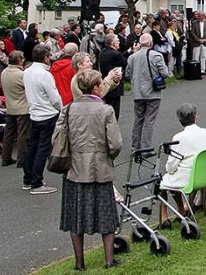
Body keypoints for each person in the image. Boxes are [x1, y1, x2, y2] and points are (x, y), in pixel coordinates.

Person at [57, 68, 122, 271]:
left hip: (74, 169)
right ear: (95, 87)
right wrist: (108, 156)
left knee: (76, 217)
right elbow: (115, 143)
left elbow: (58, 138)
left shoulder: (67, 109)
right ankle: (109, 260)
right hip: (100, 167)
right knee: (106, 215)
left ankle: (79, 262)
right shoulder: (105, 110)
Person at [159, 103, 206, 227]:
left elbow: (171, 167)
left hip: (189, 178)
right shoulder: (205, 132)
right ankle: (183, 209)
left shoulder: (179, 138)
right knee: (174, 177)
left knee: (162, 182)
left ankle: (166, 216)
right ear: (195, 116)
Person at [23, 44, 63, 194]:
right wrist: (62, 110)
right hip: (47, 114)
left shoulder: (27, 72)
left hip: (34, 113)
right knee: (43, 148)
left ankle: (28, 178)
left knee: (32, 146)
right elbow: (54, 97)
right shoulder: (45, 74)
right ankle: (36, 182)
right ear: (45, 57)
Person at [126, 34, 169, 153]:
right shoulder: (156, 56)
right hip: (153, 93)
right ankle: (146, 148)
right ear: (150, 43)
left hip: (138, 93)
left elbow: (127, 75)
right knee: (149, 120)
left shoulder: (132, 57)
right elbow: (165, 73)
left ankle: (135, 147)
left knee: (138, 120)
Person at [0, 50, 30, 168]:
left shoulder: (4, 72)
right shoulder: (21, 75)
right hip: (22, 107)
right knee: (23, 134)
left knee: (9, 132)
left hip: (10, 106)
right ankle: (21, 159)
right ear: (19, 60)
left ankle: (6, 157)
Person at [98, 34, 128, 119]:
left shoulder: (103, 52)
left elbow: (119, 57)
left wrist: (129, 51)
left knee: (107, 109)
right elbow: (125, 62)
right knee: (114, 111)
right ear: (113, 43)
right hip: (115, 85)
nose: (119, 42)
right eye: (117, 40)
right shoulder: (115, 54)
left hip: (106, 84)